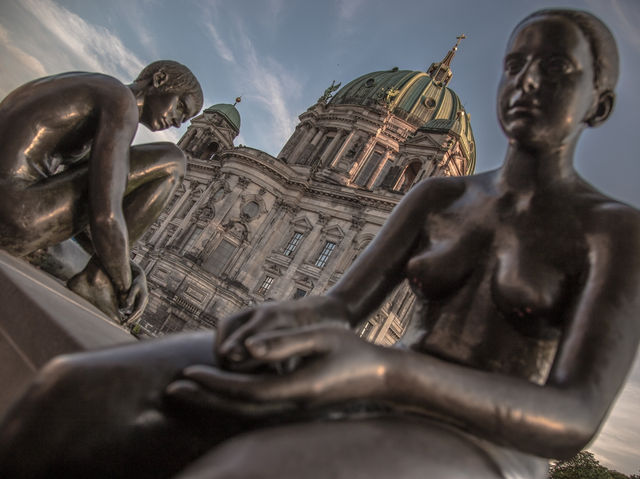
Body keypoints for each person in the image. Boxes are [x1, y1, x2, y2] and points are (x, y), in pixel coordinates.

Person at [0, 9, 638, 479]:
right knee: (70, 393)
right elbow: (336, 306)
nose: (526, 82)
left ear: (599, 103)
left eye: (555, 68)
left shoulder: (613, 230)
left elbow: (574, 418)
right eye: (514, 64)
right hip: (356, 377)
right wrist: (265, 332)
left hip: (479, 439)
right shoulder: (439, 198)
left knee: (241, 468)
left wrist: (378, 368)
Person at [0, 60, 203, 322]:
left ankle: (95, 275)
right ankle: (96, 283)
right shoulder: (120, 102)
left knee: (74, 260)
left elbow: (78, 213)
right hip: (16, 213)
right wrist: (121, 282)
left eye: (184, 119)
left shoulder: (98, 90)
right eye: (181, 106)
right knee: (173, 160)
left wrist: (129, 268)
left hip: (16, 204)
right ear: (160, 79)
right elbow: (104, 215)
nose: (177, 122)